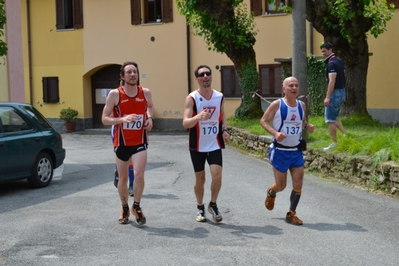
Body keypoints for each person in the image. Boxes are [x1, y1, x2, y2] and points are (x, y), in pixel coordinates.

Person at [102, 61, 154, 225]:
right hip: (122, 142)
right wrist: (122, 119)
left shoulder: (145, 92)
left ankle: (136, 206)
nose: (133, 75)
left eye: (135, 72)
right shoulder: (115, 94)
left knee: (138, 175)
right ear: (122, 76)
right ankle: (124, 207)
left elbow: (150, 107)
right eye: (129, 72)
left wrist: (150, 118)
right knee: (123, 179)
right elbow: (104, 118)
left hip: (140, 141)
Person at [260, 77, 315, 225]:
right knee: (281, 186)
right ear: (283, 89)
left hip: (295, 151)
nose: (294, 88)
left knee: (298, 182)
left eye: (296, 85)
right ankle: (272, 191)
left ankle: (291, 213)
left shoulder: (302, 105)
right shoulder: (277, 105)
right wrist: (275, 134)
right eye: (290, 85)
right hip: (280, 151)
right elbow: (263, 121)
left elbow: (301, 122)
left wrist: (307, 126)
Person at [182, 65, 230, 223]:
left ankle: (213, 204)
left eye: (208, 74)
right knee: (200, 179)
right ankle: (200, 206)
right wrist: (197, 118)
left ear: (211, 76)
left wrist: (225, 130)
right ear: (197, 79)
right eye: (201, 74)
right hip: (197, 145)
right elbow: (185, 123)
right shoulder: (192, 98)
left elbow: (222, 115)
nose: (205, 76)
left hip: (214, 143)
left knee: (217, 176)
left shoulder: (219, 96)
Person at [320, 42, 347, 151]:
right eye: (321, 51)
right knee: (334, 116)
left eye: (324, 51)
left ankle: (334, 143)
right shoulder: (339, 61)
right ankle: (345, 135)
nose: (323, 53)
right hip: (341, 92)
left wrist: (327, 97)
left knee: (330, 119)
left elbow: (332, 81)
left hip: (335, 93)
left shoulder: (331, 64)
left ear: (330, 50)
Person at [111, 125, 134, 197]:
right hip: (118, 129)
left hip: (134, 130)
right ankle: (118, 172)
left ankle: (131, 186)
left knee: (131, 158)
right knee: (120, 156)